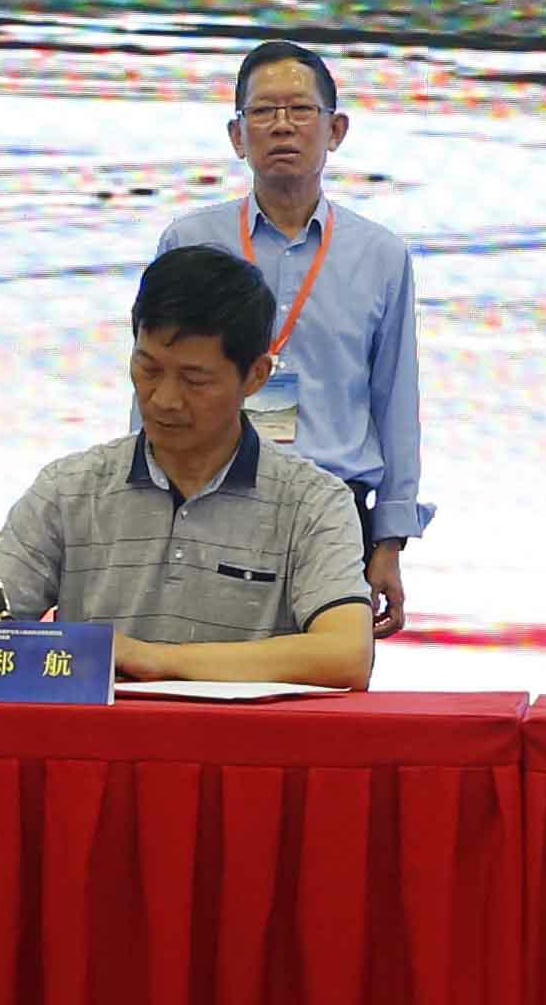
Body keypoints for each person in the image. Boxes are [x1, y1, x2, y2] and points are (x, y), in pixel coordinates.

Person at [0, 244, 375, 688]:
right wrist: (79, 658)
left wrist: (154, 660)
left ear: (256, 376)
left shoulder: (312, 503)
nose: (164, 399)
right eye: (148, 369)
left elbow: (346, 655)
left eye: (194, 380)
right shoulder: (69, 489)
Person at [153, 39, 422, 638]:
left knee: (321, 685)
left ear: (335, 130)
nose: (282, 126)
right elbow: (153, 385)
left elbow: (396, 401)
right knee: (193, 676)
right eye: (263, 112)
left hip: (333, 512)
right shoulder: (189, 243)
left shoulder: (380, 255)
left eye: (300, 110)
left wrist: (390, 541)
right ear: (237, 135)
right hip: (206, 503)